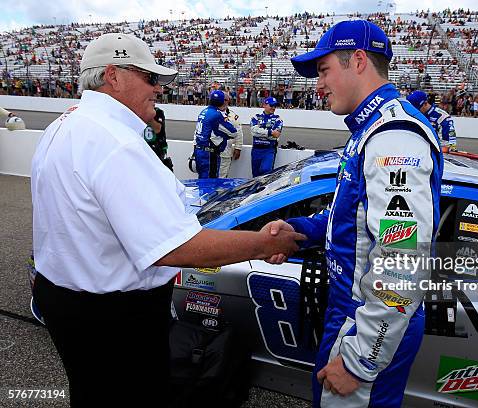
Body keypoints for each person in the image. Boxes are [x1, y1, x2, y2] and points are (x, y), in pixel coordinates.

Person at [30, 33, 304, 408]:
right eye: (149, 78)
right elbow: (177, 248)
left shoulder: (66, 123)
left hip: (65, 299)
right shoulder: (115, 143)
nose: (158, 89)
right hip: (115, 318)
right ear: (113, 75)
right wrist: (265, 243)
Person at [288, 20, 443, 408]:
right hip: (357, 311)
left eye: (323, 71)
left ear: (357, 60)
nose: (318, 85)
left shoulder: (393, 135)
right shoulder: (372, 127)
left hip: (367, 318)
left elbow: (403, 260)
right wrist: (300, 229)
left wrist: (361, 360)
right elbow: (353, 216)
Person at [192, 89, 238, 178]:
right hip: (209, 153)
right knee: (210, 181)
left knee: (202, 179)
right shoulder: (216, 115)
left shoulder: (204, 111)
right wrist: (224, 135)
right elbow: (233, 132)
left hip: (199, 150)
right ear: (221, 101)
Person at [250, 96, 283, 176]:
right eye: (271, 105)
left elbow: (276, 135)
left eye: (275, 106)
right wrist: (269, 132)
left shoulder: (278, 119)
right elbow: (254, 132)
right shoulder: (256, 117)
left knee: (266, 171)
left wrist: (261, 131)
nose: (273, 108)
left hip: (269, 150)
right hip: (256, 150)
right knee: (255, 175)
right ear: (264, 105)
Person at [219, 97, 243, 178]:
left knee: (222, 176)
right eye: (222, 99)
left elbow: (239, 132)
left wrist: (238, 148)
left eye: (226, 100)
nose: (223, 102)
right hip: (209, 152)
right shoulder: (209, 113)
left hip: (226, 152)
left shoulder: (233, 116)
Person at [144, 106, 173, 171]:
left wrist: (149, 117)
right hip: (145, 147)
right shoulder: (138, 113)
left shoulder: (158, 112)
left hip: (158, 148)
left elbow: (157, 129)